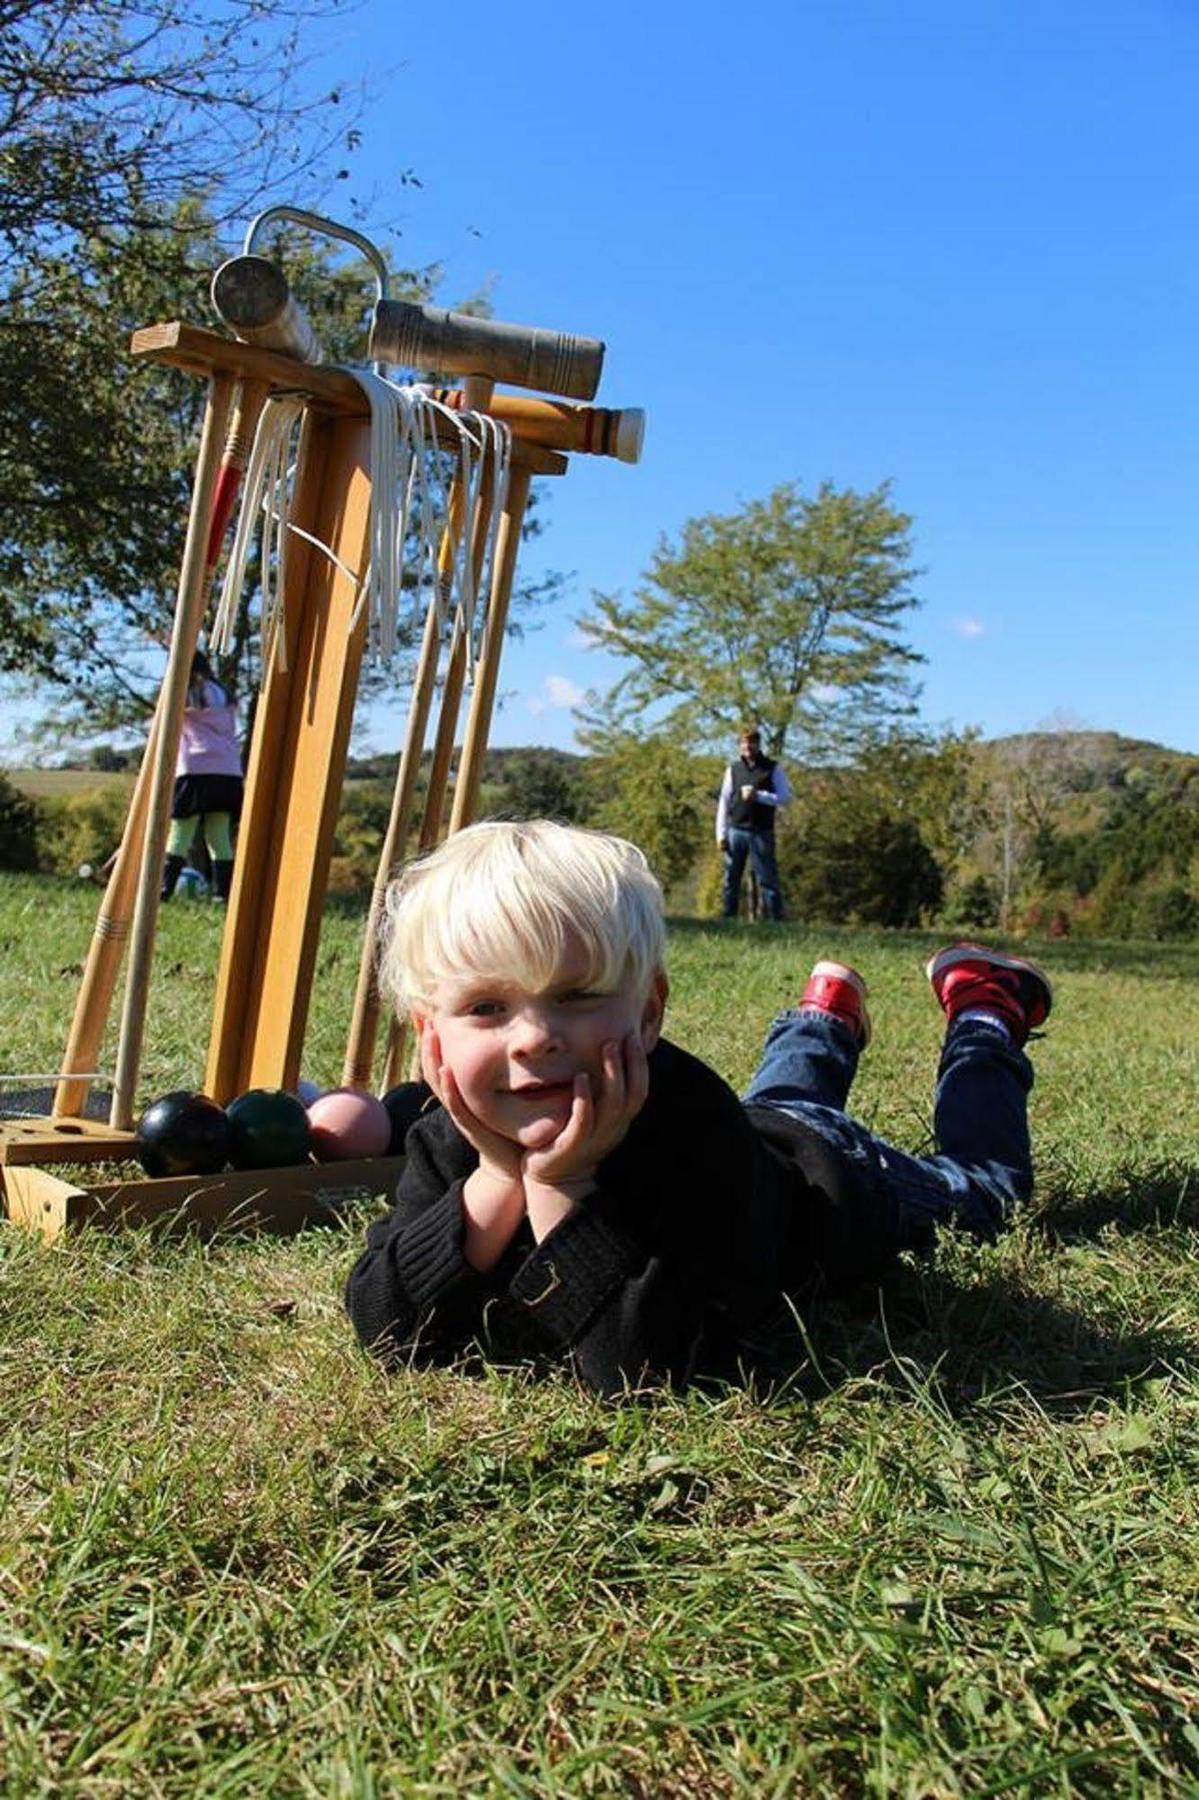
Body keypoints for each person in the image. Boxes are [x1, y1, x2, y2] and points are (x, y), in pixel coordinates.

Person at [345, 820, 1053, 1399]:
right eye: (485, 1008)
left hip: (834, 1177)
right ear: (429, 1035)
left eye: (576, 996)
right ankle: (819, 1023)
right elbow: (382, 1322)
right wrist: (498, 1177)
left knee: (984, 1188)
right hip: (766, 1128)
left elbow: (652, 1370)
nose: (533, 1037)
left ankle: (985, 1015)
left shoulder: (690, 1131)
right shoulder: (449, 1139)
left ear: (648, 1013)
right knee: (780, 1104)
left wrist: (559, 1185)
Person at [160, 649, 244, 904]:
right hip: (228, 771)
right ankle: (223, 894)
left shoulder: (186, 692)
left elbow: (165, 718)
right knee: (219, 836)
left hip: (196, 768)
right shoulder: (223, 693)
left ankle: (165, 889)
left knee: (181, 832)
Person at [716, 725, 791, 920]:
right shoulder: (733, 770)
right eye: (744, 742)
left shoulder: (772, 768)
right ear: (740, 745)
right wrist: (721, 834)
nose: (748, 746)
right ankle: (728, 919)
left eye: (752, 742)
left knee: (767, 880)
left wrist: (759, 796)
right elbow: (724, 802)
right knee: (731, 879)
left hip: (761, 832)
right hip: (736, 830)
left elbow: (784, 797)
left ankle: (776, 920)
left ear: (758, 744)